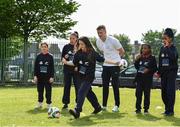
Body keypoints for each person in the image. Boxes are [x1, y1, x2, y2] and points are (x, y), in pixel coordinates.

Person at [62, 36, 120, 118]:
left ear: (86, 44)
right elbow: (74, 63)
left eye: (82, 44)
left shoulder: (92, 53)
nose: (80, 46)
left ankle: (77, 111)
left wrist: (114, 63)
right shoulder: (78, 53)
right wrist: (66, 62)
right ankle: (97, 107)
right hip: (80, 76)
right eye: (79, 44)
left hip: (89, 77)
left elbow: (103, 60)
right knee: (88, 93)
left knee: (81, 92)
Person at [96, 25, 125, 112]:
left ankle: (117, 105)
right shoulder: (98, 41)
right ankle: (104, 105)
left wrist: (118, 60)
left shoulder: (113, 40)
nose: (99, 35)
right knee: (105, 86)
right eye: (98, 33)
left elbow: (122, 51)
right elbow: (103, 52)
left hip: (115, 66)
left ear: (105, 32)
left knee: (115, 85)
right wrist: (109, 60)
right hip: (105, 66)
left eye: (101, 32)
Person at [156, 28, 178, 116]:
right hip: (164, 73)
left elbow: (174, 57)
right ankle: (166, 109)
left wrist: (168, 47)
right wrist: (158, 72)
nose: (164, 40)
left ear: (170, 38)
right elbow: (160, 61)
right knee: (163, 92)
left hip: (171, 73)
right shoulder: (162, 48)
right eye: (163, 38)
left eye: (165, 38)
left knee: (170, 91)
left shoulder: (173, 48)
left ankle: (170, 110)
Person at [134, 44, 157, 114]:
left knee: (146, 94)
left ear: (149, 49)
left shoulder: (152, 58)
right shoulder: (140, 57)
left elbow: (155, 68)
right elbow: (137, 67)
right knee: (138, 94)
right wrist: (136, 60)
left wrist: (148, 70)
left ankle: (146, 109)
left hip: (147, 79)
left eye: (145, 48)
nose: (143, 50)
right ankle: (138, 109)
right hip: (140, 78)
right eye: (142, 48)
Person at [61, 32, 80, 109]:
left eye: (73, 38)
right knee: (67, 86)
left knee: (77, 86)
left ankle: (77, 103)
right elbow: (62, 58)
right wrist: (64, 58)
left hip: (76, 70)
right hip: (67, 70)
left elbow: (81, 58)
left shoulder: (79, 47)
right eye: (70, 38)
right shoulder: (66, 47)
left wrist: (77, 66)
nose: (71, 40)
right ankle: (65, 103)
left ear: (76, 39)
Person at [34, 42, 54, 109]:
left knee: (48, 91)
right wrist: (35, 76)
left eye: (45, 46)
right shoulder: (38, 56)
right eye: (42, 47)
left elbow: (52, 68)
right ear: (40, 47)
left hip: (48, 77)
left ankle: (49, 104)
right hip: (40, 77)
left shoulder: (50, 56)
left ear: (47, 48)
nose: (44, 48)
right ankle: (40, 103)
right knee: (40, 91)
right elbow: (35, 67)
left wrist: (52, 77)